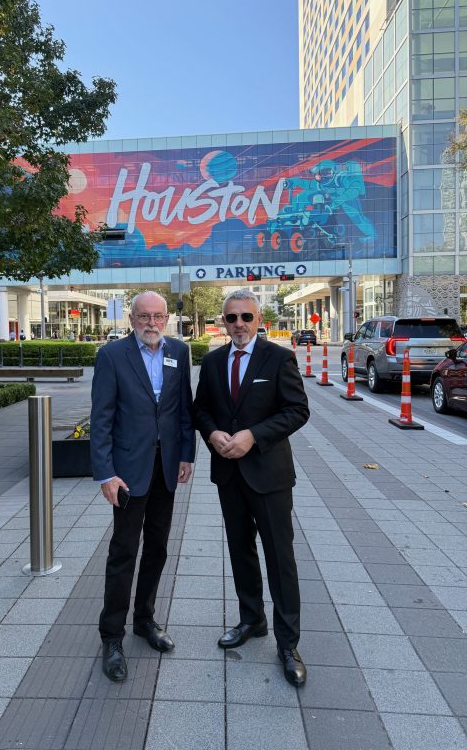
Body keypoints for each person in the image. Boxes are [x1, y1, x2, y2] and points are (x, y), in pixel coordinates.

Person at [193, 289, 310, 687]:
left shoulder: (279, 358)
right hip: (229, 475)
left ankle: (288, 644)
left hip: (269, 476)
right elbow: (201, 409)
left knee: (280, 558)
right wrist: (212, 434)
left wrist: (253, 436)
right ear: (223, 322)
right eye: (232, 318)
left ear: (260, 320)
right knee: (240, 551)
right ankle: (252, 619)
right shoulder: (212, 362)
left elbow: (297, 410)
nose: (239, 324)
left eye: (246, 316)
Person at [91, 291, 195, 682]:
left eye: (158, 316)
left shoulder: (179, 352)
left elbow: (184, 409)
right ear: (132, 319)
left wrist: (186, 455)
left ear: (167, 319)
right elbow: (101, 418)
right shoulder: (112, 356)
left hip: (166, 467)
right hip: (127, 473)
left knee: (158, 547)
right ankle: (111, 636)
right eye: (144, 316)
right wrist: (105, 473)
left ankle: (145, 619)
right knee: (123, 552)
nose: (152, 323)